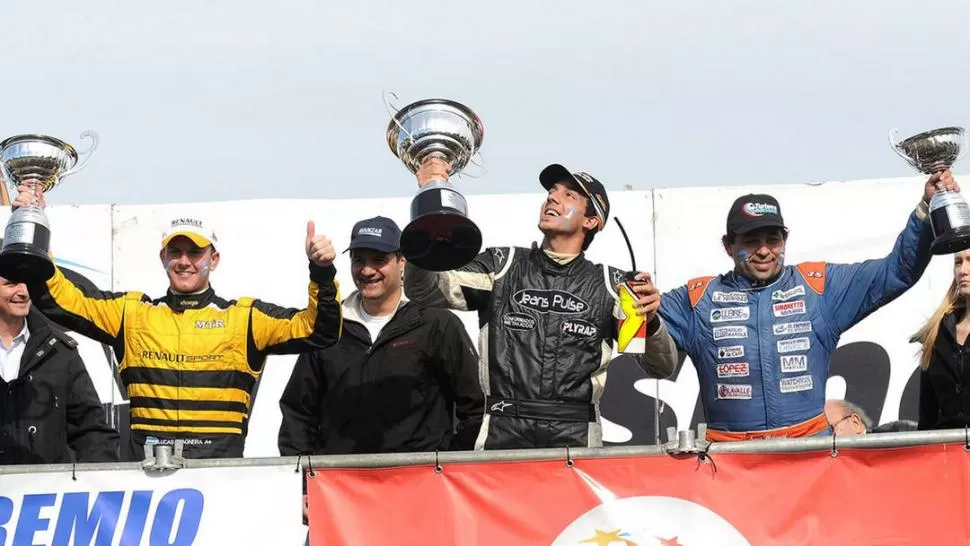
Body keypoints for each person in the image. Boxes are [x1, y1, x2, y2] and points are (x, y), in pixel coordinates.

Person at [15, 185, 344, 459]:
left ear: (213, 259)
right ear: (163, 258)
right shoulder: (132, 314)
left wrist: (322, 272)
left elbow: (319, 330)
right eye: (176, 251)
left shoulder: (245, 318)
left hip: (220, 484)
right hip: (148, 486)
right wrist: (33, 226)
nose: (184, 261)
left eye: (195, 252)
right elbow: (58, 299)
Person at [403, 159, 678, 450]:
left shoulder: (614, 286)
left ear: (591, 221)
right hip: (502, 433)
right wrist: (428, 208)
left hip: (576, 441)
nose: (553, 197)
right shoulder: (502, 266)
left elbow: (660, 367)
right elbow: (424, 289)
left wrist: (652, 321)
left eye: (569, 195)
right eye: (552, 191)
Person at [660, 171, 955, 441]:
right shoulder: (697, 299)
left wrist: (925, 212)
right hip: (730, 462)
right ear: (728, 246)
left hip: (808, 458)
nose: (764, 251)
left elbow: (897, 272)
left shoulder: (819, 288)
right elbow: (636, 315)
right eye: (751, 241)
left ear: (785, 239)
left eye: (773, 240)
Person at [278, 216, 484, 456]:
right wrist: (306, 481)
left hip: (419, 484)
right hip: (342, 486)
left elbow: (475, 407)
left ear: (402, 262)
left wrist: (449, 468)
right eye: (358, 260)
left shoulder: (437, 323)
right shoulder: (329, 328)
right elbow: (298, 412)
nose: (367, 270)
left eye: (379, 260)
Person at [0, 272, 119, 464]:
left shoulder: (59, 350)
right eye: (12, 284)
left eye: (28, 282)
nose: (23, 292)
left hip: (44, 491)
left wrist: (97, 485)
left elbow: (92, 430)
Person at [911, 248, 970, 430]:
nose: (963, 270)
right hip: (947, 453)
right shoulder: (936, 333)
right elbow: (927, 416)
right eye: (958, 262)